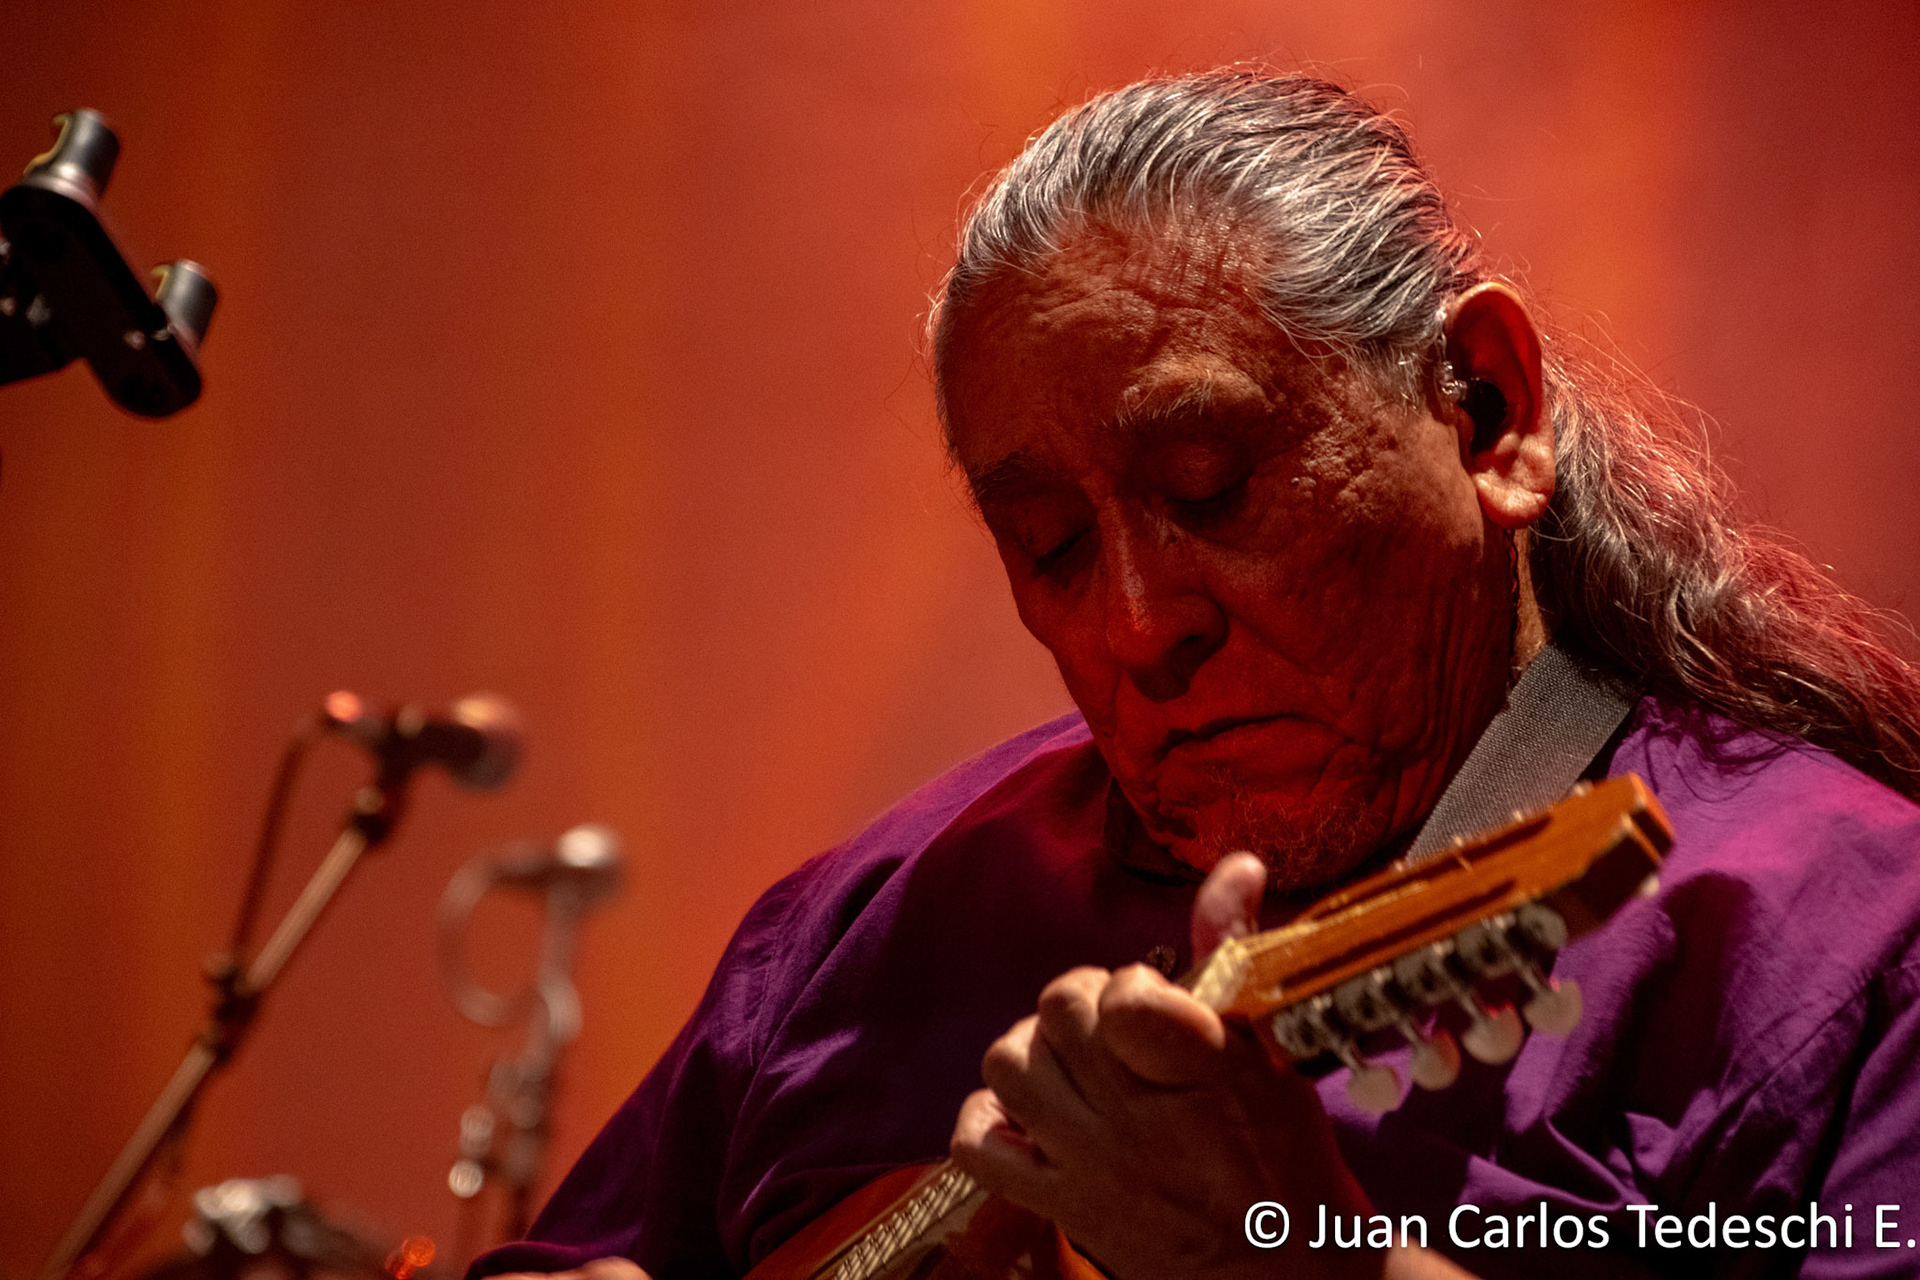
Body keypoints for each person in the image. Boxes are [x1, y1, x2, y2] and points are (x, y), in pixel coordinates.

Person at [474, 71, 1920, 1279]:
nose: (1135, 622)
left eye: (1212, 489)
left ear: (1488, 412)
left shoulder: (1840, 944)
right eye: (1050, 545)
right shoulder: (870, 926)